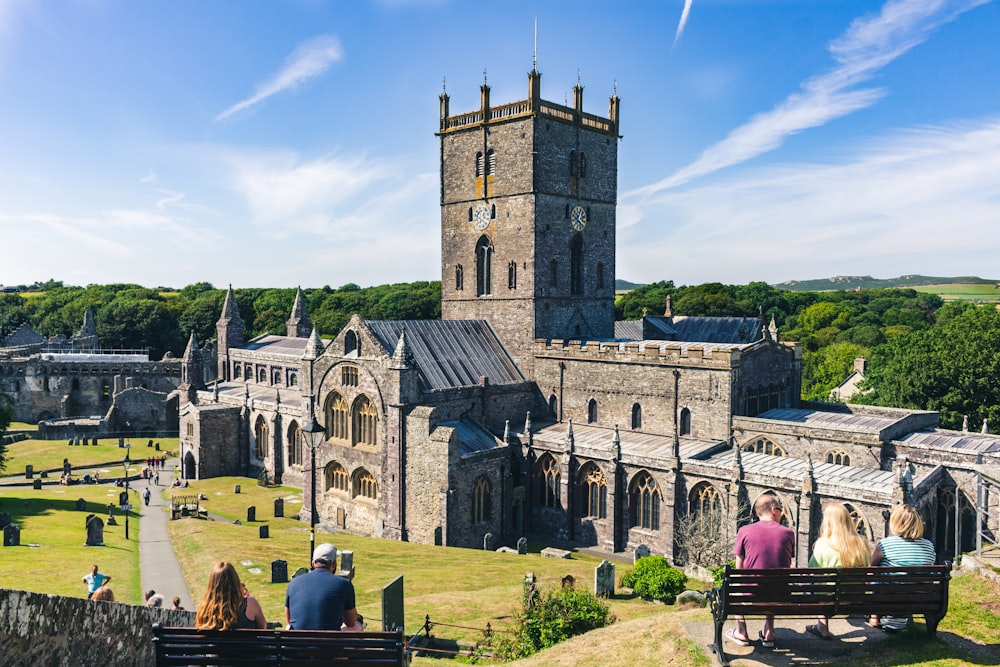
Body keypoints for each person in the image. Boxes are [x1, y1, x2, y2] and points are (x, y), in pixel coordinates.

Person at [729, 494, 795, 648]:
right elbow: (786, 563)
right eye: (780, 510)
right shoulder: (788, 533)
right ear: (773, 510)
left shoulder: (744, 530)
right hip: (780, 595)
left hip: (752, 594)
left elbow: (739, 567)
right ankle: (769, 632)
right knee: (774, 582)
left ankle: (741, 631)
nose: (780, 514)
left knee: (732, 587)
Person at [805, 503, 870, 640]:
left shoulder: (822, 544)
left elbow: (812, 571)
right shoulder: (862, 543)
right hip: (854, 597)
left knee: (818, 586)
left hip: (827, 599)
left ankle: (822, 626)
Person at [869, 504, 936, 633]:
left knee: (875, 577)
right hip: (920, 597)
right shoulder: (928, 545)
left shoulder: (885, 544)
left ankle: (874, 617)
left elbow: (872, 567)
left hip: (890, 595)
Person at [285, 543, 358, 631]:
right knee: (357, 626)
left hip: (297, 643)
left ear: (313, 563)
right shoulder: (344, 584)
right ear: (334, 564)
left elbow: (289, 620)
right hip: (328, 643)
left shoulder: (293, 583)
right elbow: (350, 622)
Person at [195, 562, 267, 630]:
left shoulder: (204, 609)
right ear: (235, 581)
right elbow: (262, 628)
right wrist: (247, 600)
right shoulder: (250, 604)